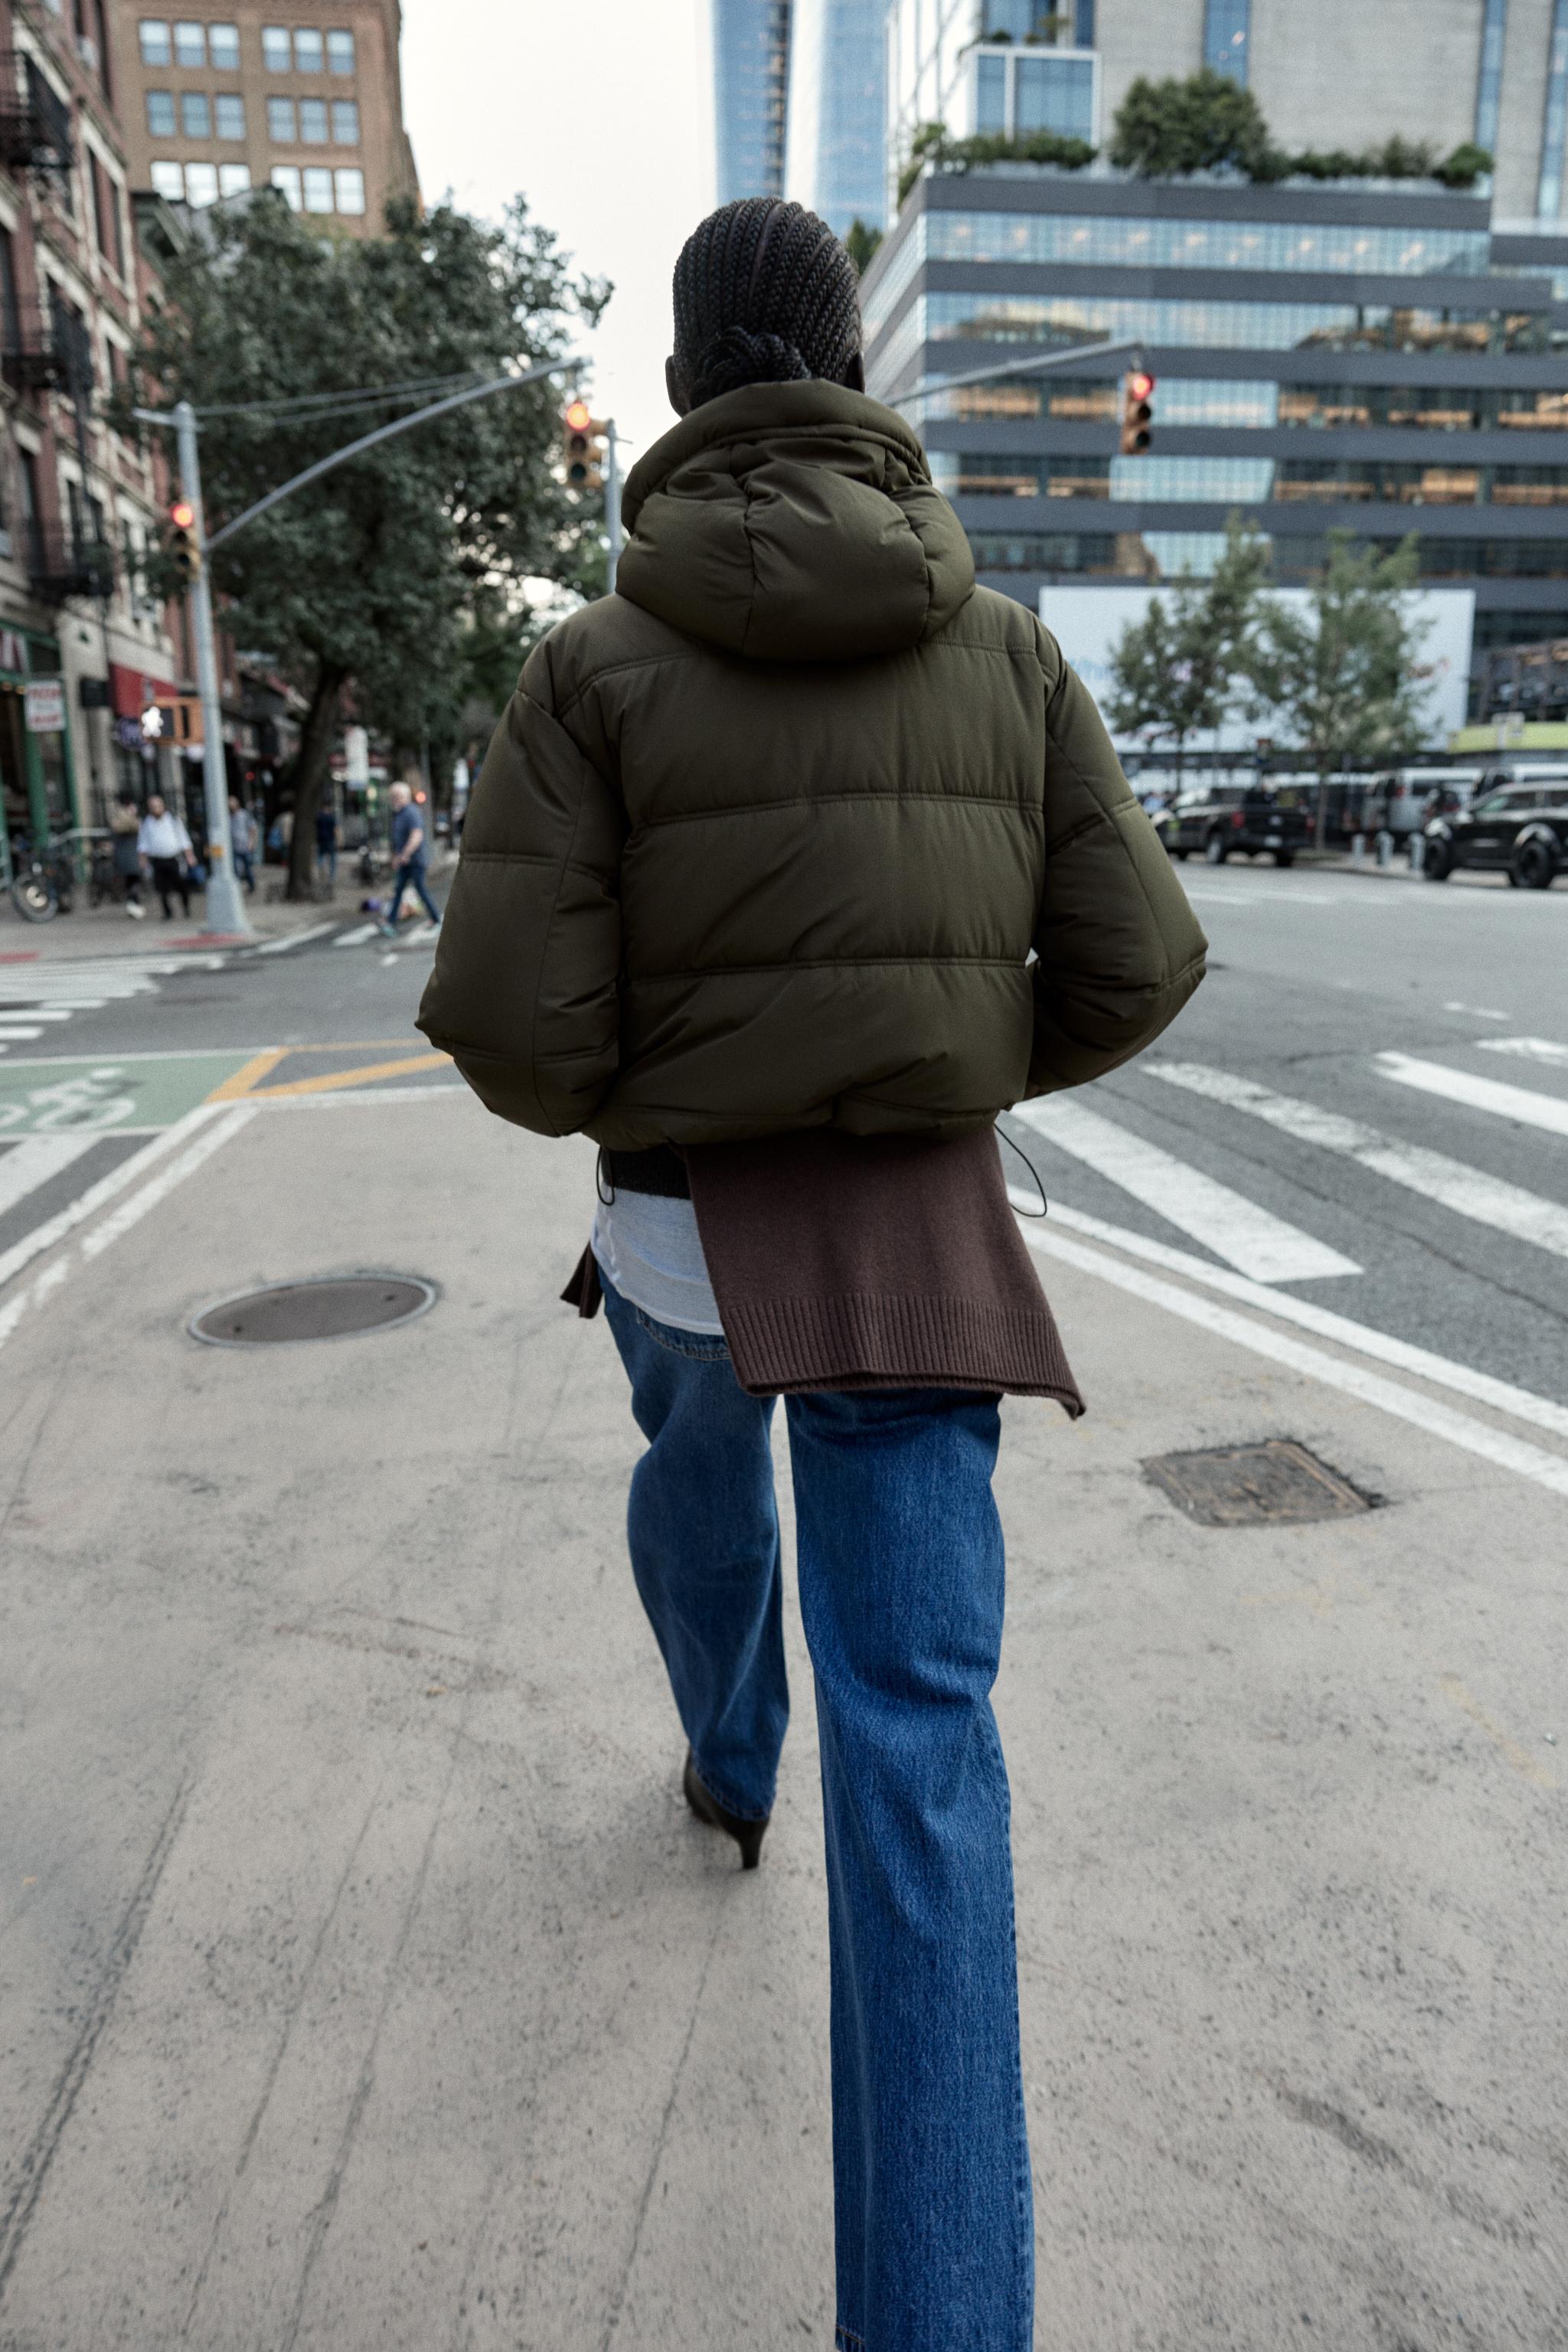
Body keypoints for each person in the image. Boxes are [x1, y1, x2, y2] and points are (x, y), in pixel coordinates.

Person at [419, 198, 1205, 2352]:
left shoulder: (587, 664)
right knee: (931, 1737)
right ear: (859, 372)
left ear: (686, 390)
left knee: (693, 1477)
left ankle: (725, 1751)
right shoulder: (1006, 646)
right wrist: (951, 1058)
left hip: (680, 1226)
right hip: (920, 1249)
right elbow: (1144, 958)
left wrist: (656, 1093)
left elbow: (506, 1021)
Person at [380, 781, 439, 933]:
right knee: (399, 890)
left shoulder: (410, 812)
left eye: (396, 796)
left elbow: (417, 835)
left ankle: (436, 919)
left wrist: (405, 854)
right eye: (392, 796)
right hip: (405, 861)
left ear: (404, 796)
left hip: (415, 860)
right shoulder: (399, 813)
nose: (393, 799)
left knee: (420, 889)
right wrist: (397, 857)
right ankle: (391, 922)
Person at [136, 792, 196, 920]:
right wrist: (142, 859)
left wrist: (190, 856)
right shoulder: (146, 822)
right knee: (161, 889)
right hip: (157, 860)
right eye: (152, 806)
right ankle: (167, 912)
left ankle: (186, 907)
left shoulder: (173, 819)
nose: (155, 809)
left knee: (180, 884)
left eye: (157, 806)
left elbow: (183, 839)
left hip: (173, 858)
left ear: (163, 806)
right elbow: (143, 843)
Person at [109, 789, 145, 917]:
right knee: (133, 879)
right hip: (128, 852)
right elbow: (130, 827)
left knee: (132, 879)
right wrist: (132, 817)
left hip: (129, 851)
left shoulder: (122, 813)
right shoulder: (124, 814)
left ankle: (133, 903)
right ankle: (133, 903)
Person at [228, 795, 257, 894]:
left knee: (248, 869)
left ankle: (252, 885)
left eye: (232, 805)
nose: (231, 808)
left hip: (245, 846)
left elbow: (252, 829)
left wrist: (251, 843)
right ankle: (237, 889)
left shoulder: (244, 815)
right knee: (236, 870)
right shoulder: (228, 817)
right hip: (234, 848)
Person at [315, 798, 338, 884]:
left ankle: (321, 868)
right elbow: (335, 829)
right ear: (329, 807)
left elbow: (315, 829)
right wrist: (338, 840)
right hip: (330, 839)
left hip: (321, 839)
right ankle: (332, 875)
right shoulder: (331, 817)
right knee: (332, 858)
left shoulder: (319, 817)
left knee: (320, 856)